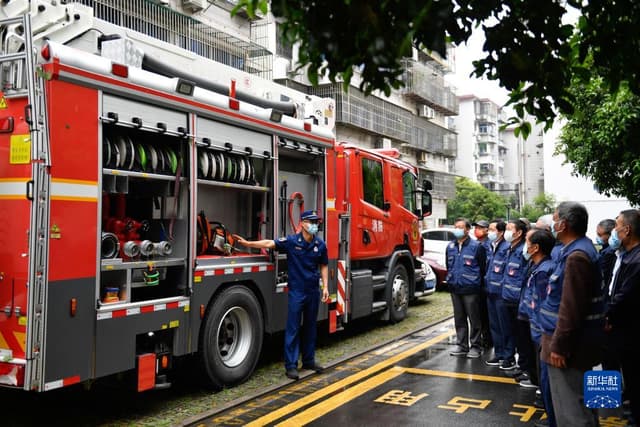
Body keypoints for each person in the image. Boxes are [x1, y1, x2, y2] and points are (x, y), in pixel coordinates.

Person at [234, 209, 329, 380]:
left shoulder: (320, 245)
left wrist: (325, 287)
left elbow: (323, 265)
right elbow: (270, 243)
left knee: (310, 328)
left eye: (316, 222)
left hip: (313, 291)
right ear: (302, 224)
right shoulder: (292, 242)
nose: (314, 225)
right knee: (293, 329)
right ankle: (291, 366)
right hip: (297, 292)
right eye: (311, 222)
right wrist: (248, 245)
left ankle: (308, 360)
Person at [540, 201, 606, 427]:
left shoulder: (577, 256)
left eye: (555, 219)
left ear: (564, 224)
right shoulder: (578, 249)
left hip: (569, 348)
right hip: (575, 344)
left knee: (572, 412)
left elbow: (570, 309)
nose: (552, 224)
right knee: (581, 406)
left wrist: (559, 346)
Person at [605, 209, 640, 426]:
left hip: (631, 329)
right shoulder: (625, 255)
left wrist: (607, 315)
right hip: (621, 325)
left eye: (616, 227)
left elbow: (624, 296)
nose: (613, 232)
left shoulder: (636, 260)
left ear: (626, 230)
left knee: (635, 374)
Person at [520, 228, 557, 427]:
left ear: (535, 248)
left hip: (543, 333)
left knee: (547, 379)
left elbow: (545, 307)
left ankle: (553, 420)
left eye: (527, 241)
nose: (524, 245)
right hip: (537, 331)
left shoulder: (544, 270)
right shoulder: (538, 267)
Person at [446, 218, 487, 359]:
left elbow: (483, 268)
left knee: (474, 319)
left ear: (467, 229)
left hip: (471, 288)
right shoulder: (450, 246)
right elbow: (449, 266)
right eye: (455, 226)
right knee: (459, 318)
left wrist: (477, 284)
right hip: (455, 287)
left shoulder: (476, 246)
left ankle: (476, 346)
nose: (457, 229)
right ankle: (462, 345)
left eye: (460, 227)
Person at [499, 218, 530, 373]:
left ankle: (523, 366)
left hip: (518, 300)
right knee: (507, 330)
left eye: (510, 229)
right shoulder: (509, 248)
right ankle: (509, 357)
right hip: (506, 297)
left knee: (521, 335)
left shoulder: (523, 251)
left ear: (518, 233)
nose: (506, 232)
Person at [484, 219, 510, 366]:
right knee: (494, 326)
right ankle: (499, 353)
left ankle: (508, 356)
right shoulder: (490, 246)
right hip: (490, 291)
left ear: (501, 232)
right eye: (489, 229)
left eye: (492, 229)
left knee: (505, 326)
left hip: (501, 293)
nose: (489, 232)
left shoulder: (506, 247)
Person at [473, 219, 492, 350]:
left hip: (485, 285)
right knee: (477, 314)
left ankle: (487, 339)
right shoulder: (475, 244)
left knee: (485, 315)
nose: (477, 230)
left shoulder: (489, 245)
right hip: (476, 284)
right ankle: (480, 339)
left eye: (481, 227)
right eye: (476, 227)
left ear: (487, 230)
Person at [595, 218, 617, 286]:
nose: (597, 237)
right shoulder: (604, 250)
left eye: (600, 235)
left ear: (610, 234)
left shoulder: (609, 252)